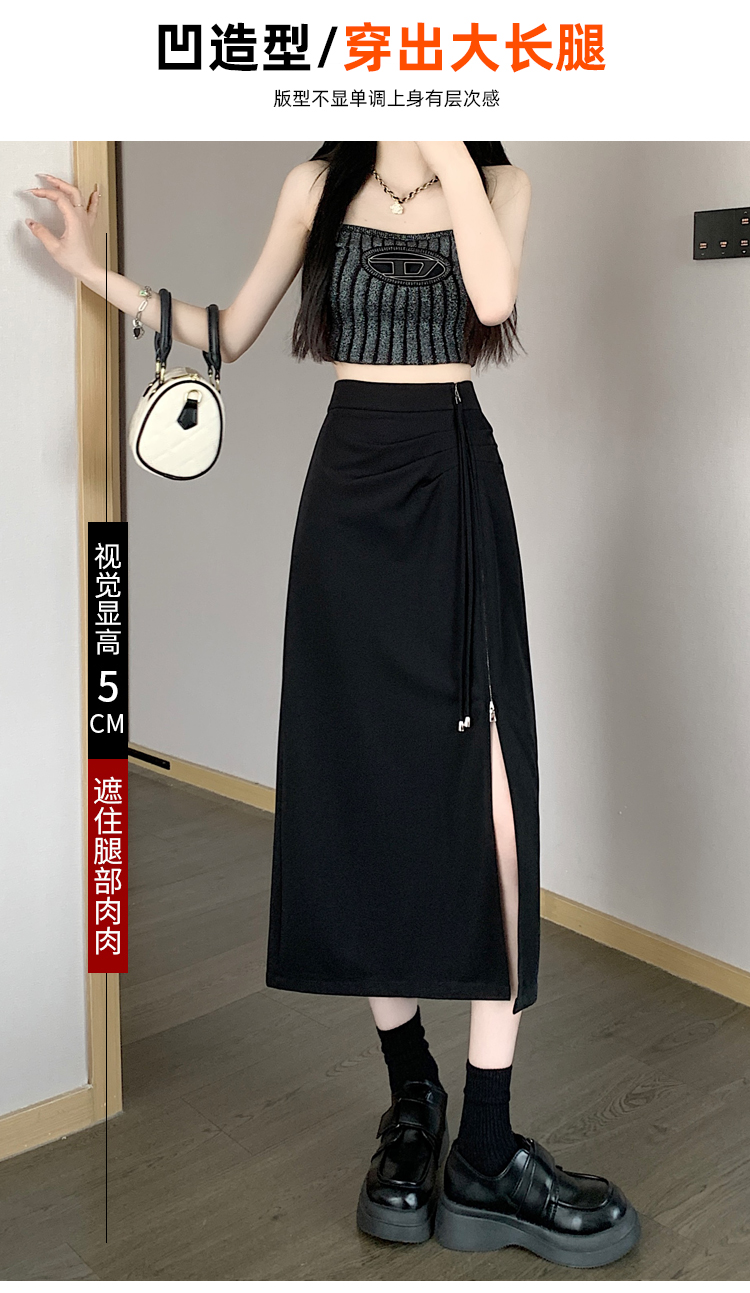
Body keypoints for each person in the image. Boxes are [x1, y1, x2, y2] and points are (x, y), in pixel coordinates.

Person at [26, 140, 640, 1268]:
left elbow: (490, 300)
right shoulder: (315, 184)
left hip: (453, 482)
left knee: (496, 802)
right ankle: (413, 1099)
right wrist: (89, 268)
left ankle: (487, 1146)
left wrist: (445, 136)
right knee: (363, 786)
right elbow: (228, 329)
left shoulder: (502, 182)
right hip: (348, 495)